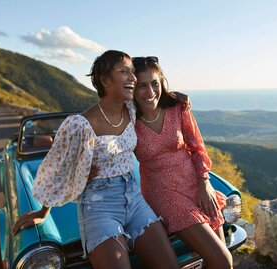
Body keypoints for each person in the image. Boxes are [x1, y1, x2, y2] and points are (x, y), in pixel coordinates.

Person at [12, 50, 179, 269]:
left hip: (135, 200)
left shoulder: (130, 108)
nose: (133, 78)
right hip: (99, 207)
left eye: (132, 72)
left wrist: (176, 98)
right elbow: (56, 170)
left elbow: (153, 95)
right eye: (124, 72)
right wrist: (42, 212)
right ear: (106, 80)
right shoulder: (79, 125)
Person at [131, 56, 233, 269]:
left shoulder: (177, 108)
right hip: (163, 192)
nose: (150, 92)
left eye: (154, 83)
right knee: (222, 261)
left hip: (195, 183)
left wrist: (205, 182)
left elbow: (197, 148)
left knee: (221, 262)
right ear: (131, 87)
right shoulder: (127, 120)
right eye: (142, 86)